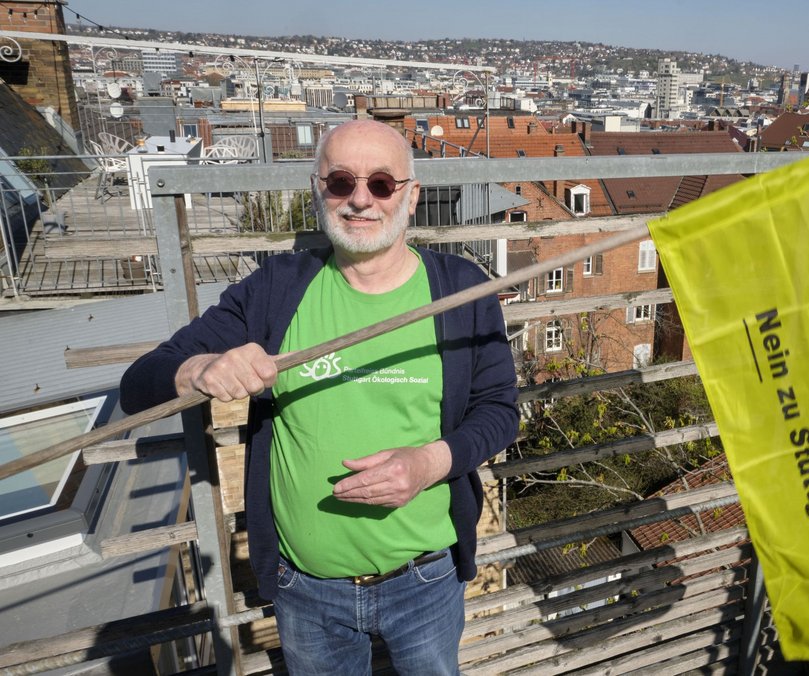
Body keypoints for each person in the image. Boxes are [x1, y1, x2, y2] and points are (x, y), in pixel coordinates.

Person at [120, 120, 519, 675]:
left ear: (412, 196)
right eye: (340, 183)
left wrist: (430, 464)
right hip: (306, 590)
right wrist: (202, 369)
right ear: (317, 191)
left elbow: (500, 411)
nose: (360, 199)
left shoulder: (462, 292)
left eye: (382, 183)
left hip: (426, 579)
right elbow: (140, 383)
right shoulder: (274, 291)